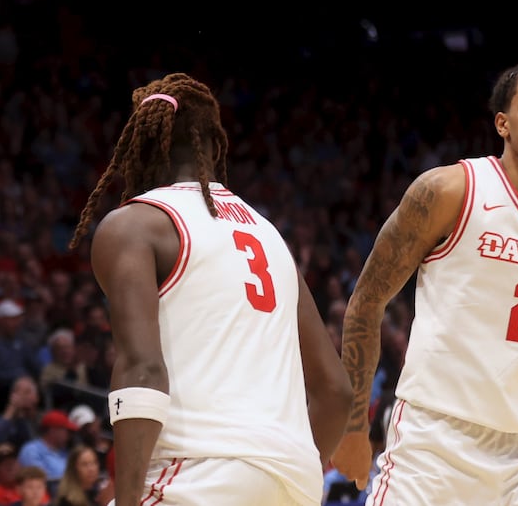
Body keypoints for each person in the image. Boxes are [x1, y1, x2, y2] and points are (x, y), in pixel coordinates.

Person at [333, 58, 518, 504]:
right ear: (503, 123)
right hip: (432, 444)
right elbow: (367, 300)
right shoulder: (450, 191)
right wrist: (354, 428)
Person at [76, 74, 350, 505]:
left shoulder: (135, 224)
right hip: (295, 479)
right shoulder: (268, 234)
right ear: (212, 144)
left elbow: (142, 369)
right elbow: (336, 391)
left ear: (141, 143)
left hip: (198, 472)